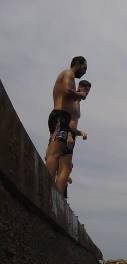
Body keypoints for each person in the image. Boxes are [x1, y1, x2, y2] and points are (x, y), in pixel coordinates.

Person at [45, 56, 88, 190]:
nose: (84, 71)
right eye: (84, 68)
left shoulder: (69, 76)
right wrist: (79, 95)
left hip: (62, 117)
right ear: (78, 64)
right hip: (60, 116)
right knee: (55, 153)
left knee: (57, 153)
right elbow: (66, 91)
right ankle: (48, 186)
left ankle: (51, 188)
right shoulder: (68, 73)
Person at [57, 80, 91, 197]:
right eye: (86, 90)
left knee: (67, 167)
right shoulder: (74, 99)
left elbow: (73, 123)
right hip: (67, 134)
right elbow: (66, 118)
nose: (87, 93)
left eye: (88, 91)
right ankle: (58, 195)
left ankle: (61, 193)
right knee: (64, 167)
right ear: (80, 87)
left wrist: (80, 132)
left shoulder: (78, 102)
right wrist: (70, 135)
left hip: (71, 135)